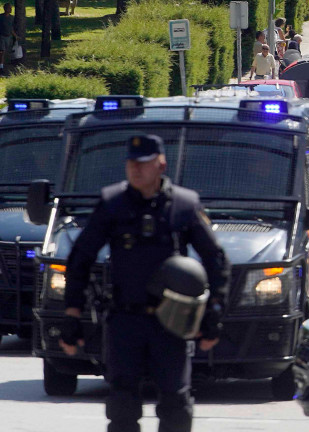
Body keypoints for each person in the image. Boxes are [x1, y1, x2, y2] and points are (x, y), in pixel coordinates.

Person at [60, 134, 230, 432]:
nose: (135, 169)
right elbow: (80, 258)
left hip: (171, 324)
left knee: (176, 406)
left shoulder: (184, 205)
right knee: (122, 407)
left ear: (161, 165)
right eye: (131, 163)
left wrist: (214, 311)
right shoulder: (113, 203)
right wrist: (72, 314)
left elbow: (215, 259)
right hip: (125, 321)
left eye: (143, 163)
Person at [0, 2, 14, 70]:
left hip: (8, 37)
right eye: (9, 8)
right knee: (2, 51)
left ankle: (5, 64)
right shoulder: (1, 17)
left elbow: (11, 28)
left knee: (7, 51)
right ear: (5, 9)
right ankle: (1, 66)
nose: (11, 9)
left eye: (11, 8)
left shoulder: (11, 18)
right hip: (1, 36)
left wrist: (15, 36)